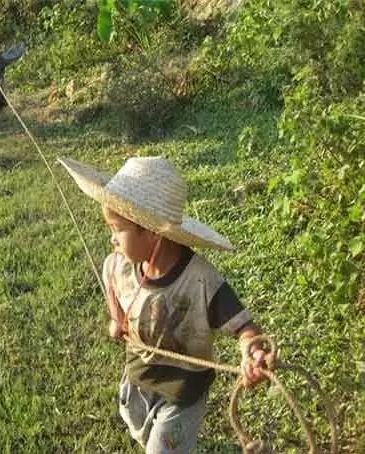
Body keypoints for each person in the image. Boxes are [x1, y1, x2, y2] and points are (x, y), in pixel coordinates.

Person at [58, 155, 269, 453]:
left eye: (117, 229)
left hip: (182, 394)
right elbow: (116, 296)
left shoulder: (201, 281)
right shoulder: (118, 266)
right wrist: (115, 321)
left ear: (152, 232)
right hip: (137, 379)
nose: (112, 240)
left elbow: (245, 327)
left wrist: (254, 350)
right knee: (140, 429)